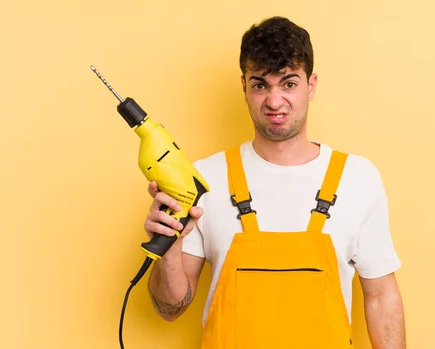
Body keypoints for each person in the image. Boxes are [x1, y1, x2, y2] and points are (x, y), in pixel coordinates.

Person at [144, 16, 406, 349]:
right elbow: (170, 308)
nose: (274, 100)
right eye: (260, 84)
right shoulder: (205, 179)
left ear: (311, 85)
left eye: (288, 83)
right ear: (244, 87)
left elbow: (382, 296)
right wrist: (169, 246)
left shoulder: (358, 178)